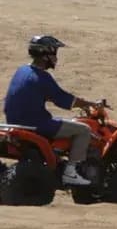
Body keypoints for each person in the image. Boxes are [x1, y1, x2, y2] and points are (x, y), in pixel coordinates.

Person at [4, 35, 98, 187]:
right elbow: (64, 100)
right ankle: (70, 172)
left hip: (15, 122)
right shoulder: (42, 78)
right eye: (54, 53)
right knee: (84, 130)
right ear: (45, 55)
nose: (55, 58)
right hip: (37, 124)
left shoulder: (22, 71)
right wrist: (89, 104)